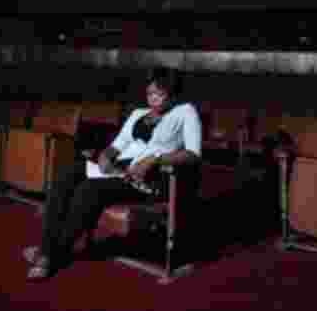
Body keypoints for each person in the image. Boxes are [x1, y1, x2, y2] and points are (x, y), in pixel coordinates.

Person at [21, 67, 202, 281]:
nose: (154, 100)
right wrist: (105, 157)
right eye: (150, 94)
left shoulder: (185, 112)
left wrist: (155, 159)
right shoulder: (138, 114)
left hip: (148, 177)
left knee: (89, 189)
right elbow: (117, 146)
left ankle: (48, 255)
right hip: (120, 169)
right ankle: (48, 249)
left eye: (160, 95)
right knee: (65, 175)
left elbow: (193, 154)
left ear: (172, 94)